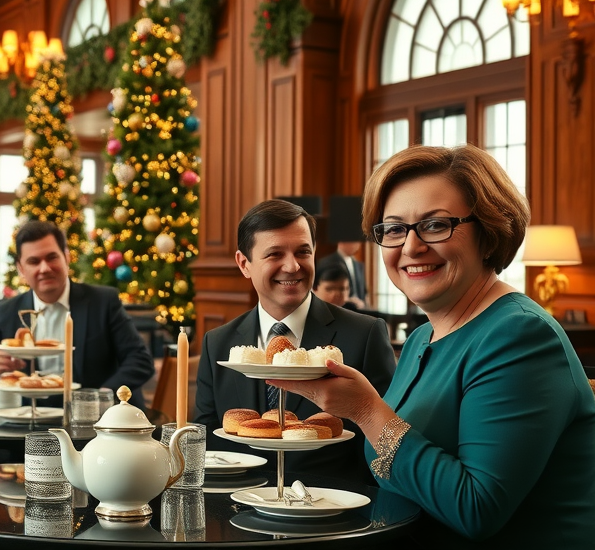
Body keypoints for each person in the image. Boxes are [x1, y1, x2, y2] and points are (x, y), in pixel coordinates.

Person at [275, 145, 595, 546]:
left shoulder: (520, 336)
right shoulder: (421, 339)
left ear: (489, 230)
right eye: (393, 228)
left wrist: (365, 410)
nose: (410, 247)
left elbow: (476, 509)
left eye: (436, 225)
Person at [194, 199, 395, 484]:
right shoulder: (217, 343)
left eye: (303, 252)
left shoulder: (364, 334)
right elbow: (207, 442)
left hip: (335, 508)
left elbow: (387, 440)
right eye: (275, 254)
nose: (292, 266)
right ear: (244, 264)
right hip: (240, 507)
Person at [0, 220, 154, 408]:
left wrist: (104, 396)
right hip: (27, 422)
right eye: (34, 261)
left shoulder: (103, 302)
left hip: (94, 422)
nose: (44, 268)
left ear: (66, 257)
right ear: (21, 269)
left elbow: (140, 360)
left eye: (52, 257)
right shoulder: (4, 312)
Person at [317, 240, 367, 308]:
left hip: (359, 310)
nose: (358, 244)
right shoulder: (326, 262)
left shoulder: (359, 265)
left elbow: (364, 292)